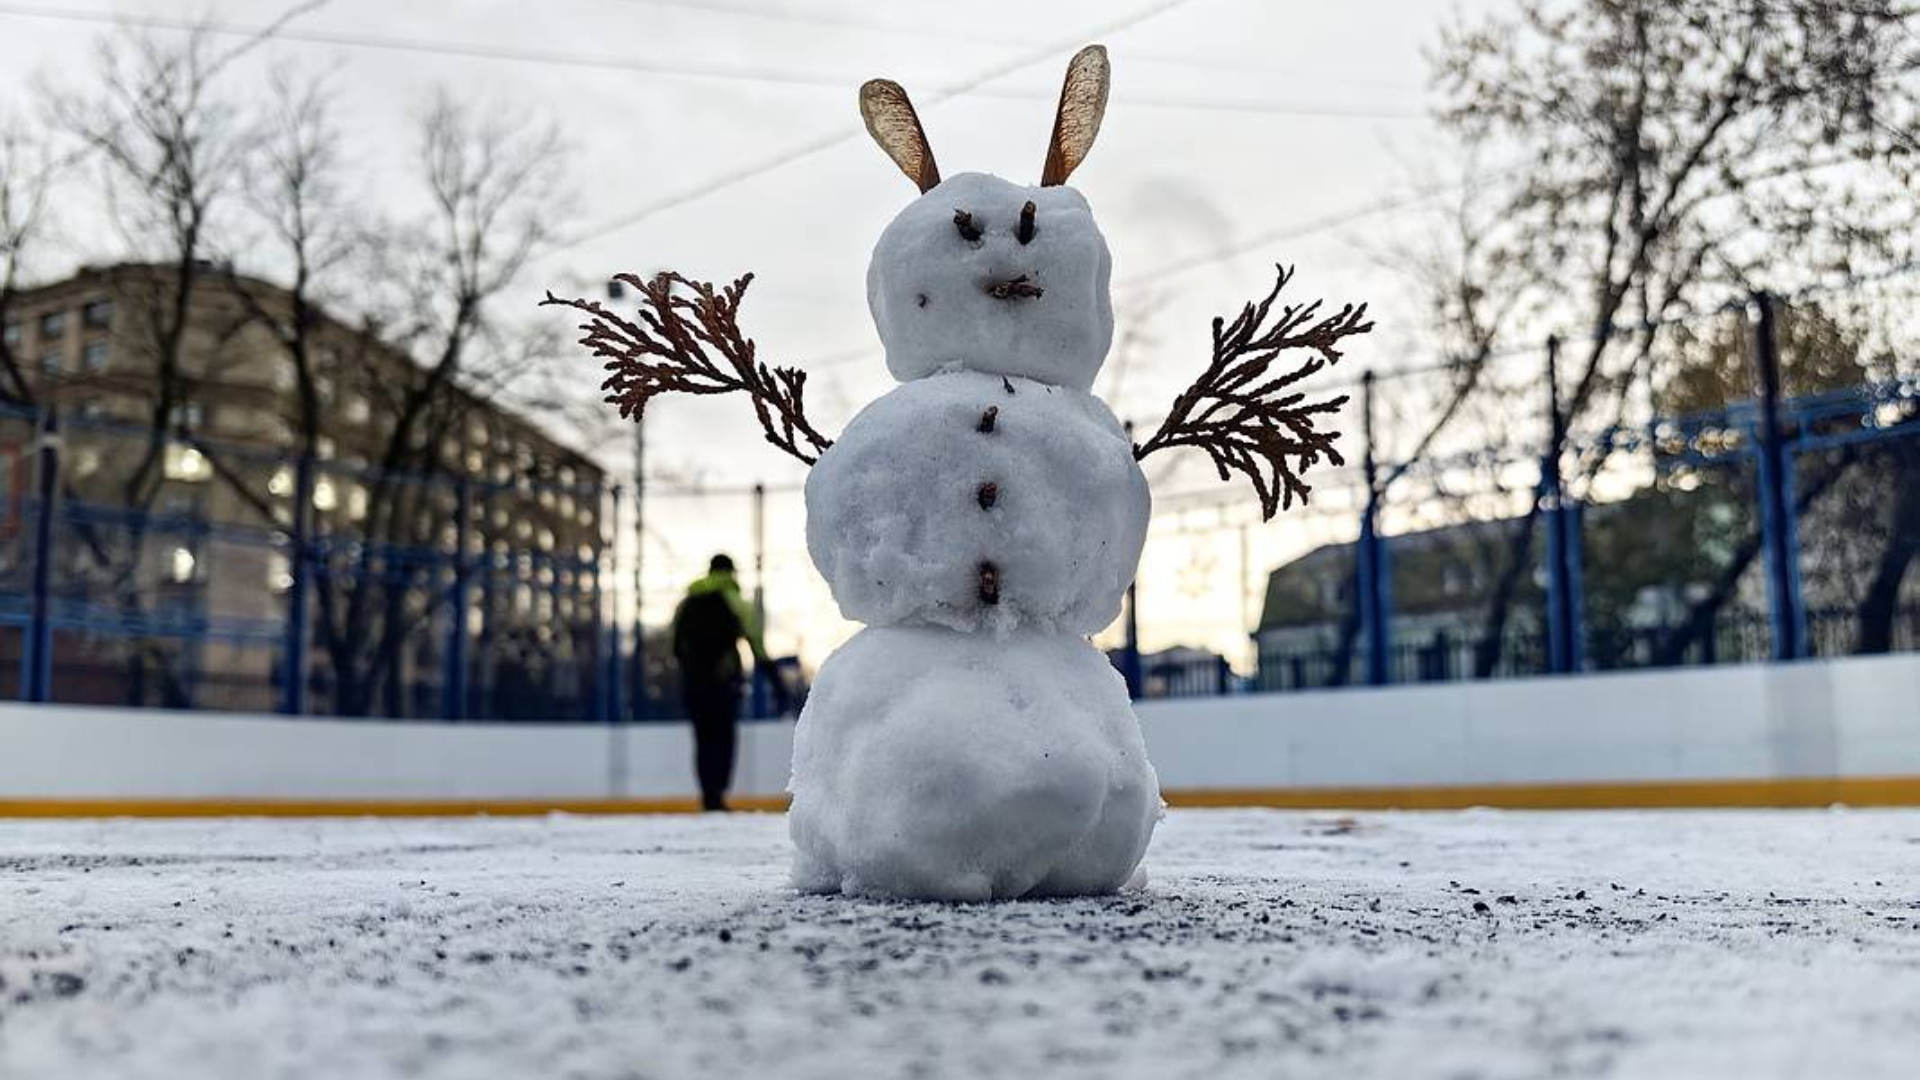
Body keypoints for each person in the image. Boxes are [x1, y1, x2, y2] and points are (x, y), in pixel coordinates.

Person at [670, 554, 782, 811]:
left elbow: (675, 645)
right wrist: (776, 682)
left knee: (703, 737)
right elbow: (756, 643)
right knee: (724, 736)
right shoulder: (735, 601)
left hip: (693, 682)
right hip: (724, 682)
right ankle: (718, 794)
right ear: (731, 572)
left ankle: (707, 794)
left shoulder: (687, 601)